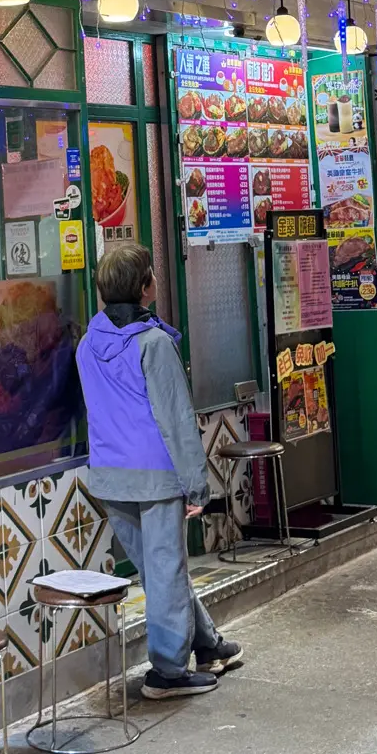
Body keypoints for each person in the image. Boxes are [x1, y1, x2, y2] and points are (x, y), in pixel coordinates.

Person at [76, 241, 243, 698]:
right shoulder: (153, 344)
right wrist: (196, 484)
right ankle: (167, 672)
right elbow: (176, 420)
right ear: (144, 287)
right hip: (155, 477)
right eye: (151, 273)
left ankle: (206, 644)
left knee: (159, 572)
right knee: (165, 571)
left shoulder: (87, 345)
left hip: (110, 476)